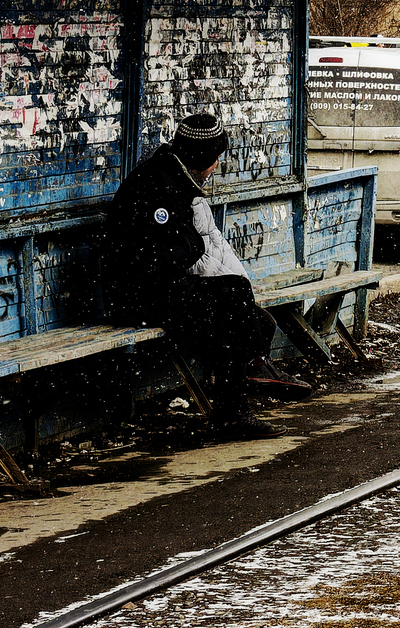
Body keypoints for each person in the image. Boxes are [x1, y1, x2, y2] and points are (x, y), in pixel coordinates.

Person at [101, 112, 293, 438]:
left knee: (251, 316)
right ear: (201, 157)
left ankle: (248, 380)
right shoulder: (159, 186)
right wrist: (191, 245)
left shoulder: (173, 178)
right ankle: (236, 406)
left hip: (157, 288)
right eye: (215, 158)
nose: (217, 165)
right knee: (234, 296)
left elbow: (184, 245)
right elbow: (163, 254)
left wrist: (189, 245)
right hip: (135, 297)